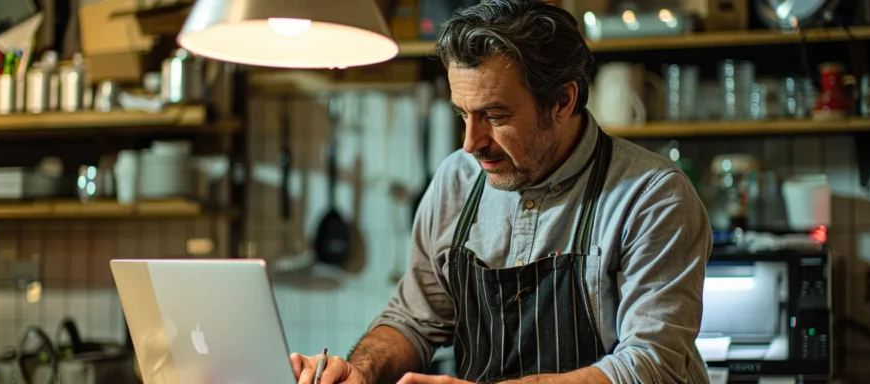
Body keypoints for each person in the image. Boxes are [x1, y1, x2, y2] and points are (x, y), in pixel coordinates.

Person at [290, 0, 712, 383]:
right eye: (462, 114)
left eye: (494, 115)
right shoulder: (457, 179)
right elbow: (414, 321)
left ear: (563, 101)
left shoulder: (652, 196)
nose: (471, 143)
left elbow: (652, 365)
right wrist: (360, 371)